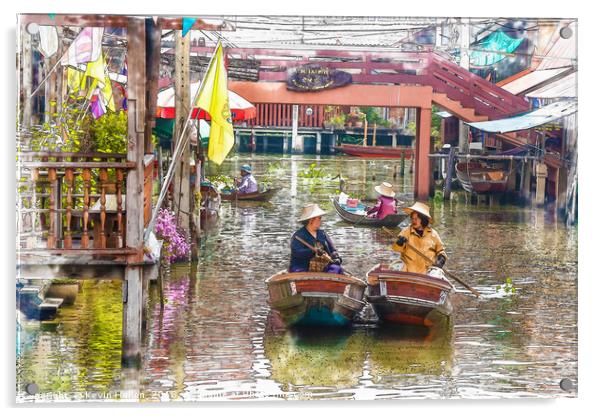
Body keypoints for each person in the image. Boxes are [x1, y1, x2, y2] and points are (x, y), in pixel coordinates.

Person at [392, 201, 447, 274]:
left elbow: (441, 251)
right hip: (408, 270)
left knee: (437, 273)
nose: (413, 221)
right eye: (412, 218)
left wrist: (440, 260)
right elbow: (396, 249)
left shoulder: (433, 234)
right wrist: (399, 243)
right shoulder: (405, 232)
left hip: (427, 272)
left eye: (416, 219)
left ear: (423, 220)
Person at [289, 203, 343, 274]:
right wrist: (313, 251)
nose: (320, 221)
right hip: (303, 267)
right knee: (298, 273)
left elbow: (332, 250)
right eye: (319, 219)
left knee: (336, 269)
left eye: (320, 218)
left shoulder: (322, 234)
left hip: (324, 267)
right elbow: (297, 252)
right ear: (310, 220)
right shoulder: (298, 236)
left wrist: (336, 257)